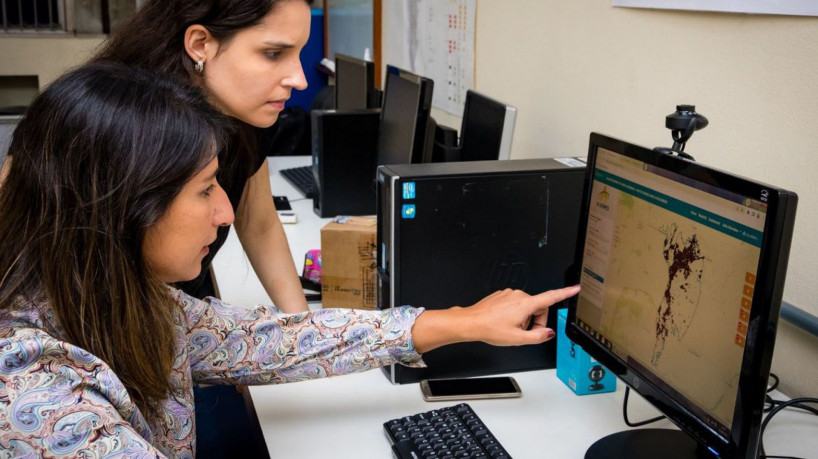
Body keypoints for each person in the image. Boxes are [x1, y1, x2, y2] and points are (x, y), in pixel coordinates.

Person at [0, 63, 578, 458]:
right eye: (205, 189)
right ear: (121, 208)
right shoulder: (39, 399)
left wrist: (464, 322)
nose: (226, 213)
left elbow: (268, 340)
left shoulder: (115, 296)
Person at [89, 0, 320, 311]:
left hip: (186, 318)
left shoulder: (247, 116)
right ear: (200, 44)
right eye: (274, 54)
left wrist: (300, 327)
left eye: (299, 54)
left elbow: (258, 222)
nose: (300, 79)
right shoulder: (95, 122)